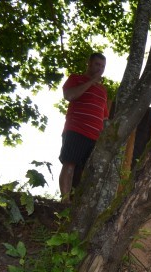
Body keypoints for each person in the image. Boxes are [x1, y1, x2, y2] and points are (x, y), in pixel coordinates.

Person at [58, 52, 109, 202]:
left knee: (86, 172)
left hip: (95, 136)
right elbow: (69, 96)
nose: (100, 69)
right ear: (89, 63)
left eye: (103, 66)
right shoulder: (76, 79)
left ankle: (76, 203)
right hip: (77, 129)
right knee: (70, 163)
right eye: (97, 64)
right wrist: (91, 81)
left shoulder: (103, 90)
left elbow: (104, 116)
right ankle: (65, 201)